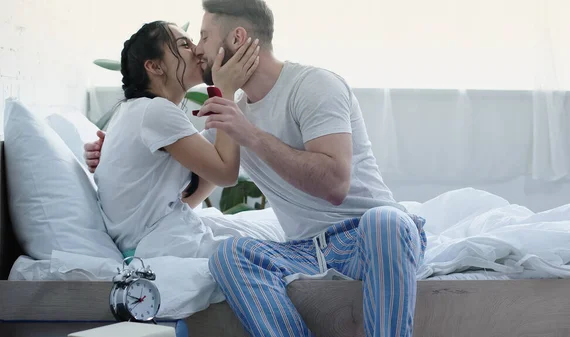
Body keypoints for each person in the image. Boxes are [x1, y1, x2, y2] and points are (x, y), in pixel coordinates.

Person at [86, 1, 428, 336]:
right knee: (229, 256)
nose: (198, 49)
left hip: (365, 237)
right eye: (189, 43)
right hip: (306, 250)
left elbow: (335, 185)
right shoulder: (229, 110)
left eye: (203, 37)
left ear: (236, 38)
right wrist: (117, 157)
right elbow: (204, 173)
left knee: (387, 220)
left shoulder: (313, 85)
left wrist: (247, 133)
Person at [91, 20, 261, 254]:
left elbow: (191, 189)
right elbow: (226, 174)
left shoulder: (134, 111)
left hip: (150, 241)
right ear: (155, 67)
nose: (197, 50)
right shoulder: (155, 112)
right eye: (184, 44)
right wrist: (226, 92)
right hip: (160, 244)